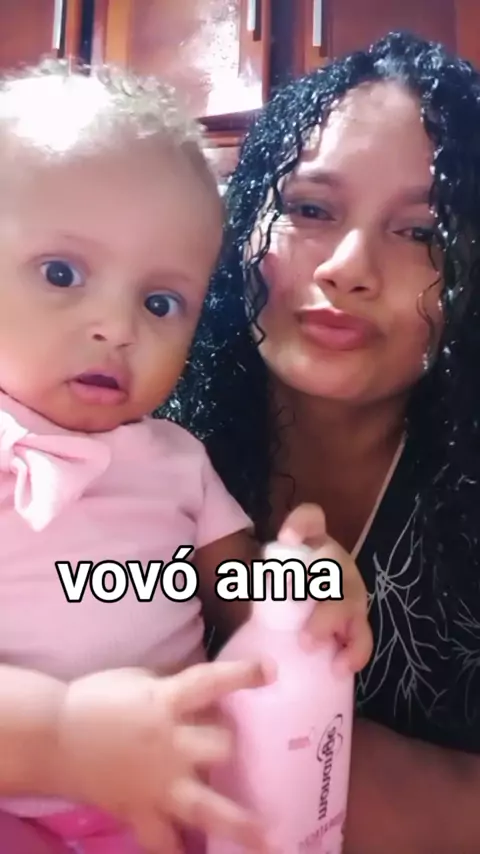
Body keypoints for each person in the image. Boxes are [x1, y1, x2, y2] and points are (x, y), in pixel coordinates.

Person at [0, 60, 372, 854]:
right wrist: (59, 736)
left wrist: (302, 589)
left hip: (167, 808)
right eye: (62, 273)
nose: (117, 326)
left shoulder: (175, 460)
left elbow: (230, 589)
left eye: (160, 301)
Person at [163, 30, 480, 854]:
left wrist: (362, 784)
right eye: (310, 210)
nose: (348, 266)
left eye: (421, 232)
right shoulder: (134, 428)